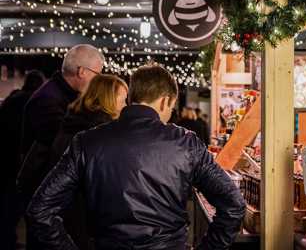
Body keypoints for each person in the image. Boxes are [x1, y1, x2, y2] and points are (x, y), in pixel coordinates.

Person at [26, 65, 246, 250]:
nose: (170, 114)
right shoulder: (186, 143)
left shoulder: (87, 141)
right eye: (171, 107)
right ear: (164, 101)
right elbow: (234, 204)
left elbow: (40, 210)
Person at [17, 44, 104, 249]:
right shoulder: (48, 100)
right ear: (82, 72)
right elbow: (64, 147)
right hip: (44, 196)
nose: (98, 82)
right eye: (98, 75)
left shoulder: (56, 95)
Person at [48, 74, 128, 250]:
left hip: (70, 222)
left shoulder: (73, 124)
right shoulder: (96, 136)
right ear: (107, 101)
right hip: (84, 227)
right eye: (122, 101)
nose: (125, 107)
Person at [0, 70, 45, 250]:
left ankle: (7, 242)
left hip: (6, 160)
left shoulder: (12, 101)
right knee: (27, 210)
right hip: (24, 163)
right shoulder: (37, 103)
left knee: (7, 211)